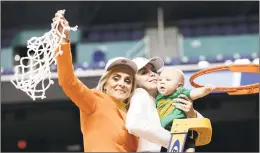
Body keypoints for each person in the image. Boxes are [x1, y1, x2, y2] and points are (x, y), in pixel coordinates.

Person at [53, 11, 138, 152]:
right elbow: (68, 82)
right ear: (105, 83)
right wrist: (63, 41)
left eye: (128, 81)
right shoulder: (95, 101)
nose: (122, 83)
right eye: (116, 78)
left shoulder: (132, 117)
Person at [126, 57, 204, 152]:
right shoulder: (140, 93)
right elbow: (135, 125)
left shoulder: (166, 97)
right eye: (144, 72)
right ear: (134, 81)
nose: (152, 74)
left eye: (154, 71)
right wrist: (174, 141)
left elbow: (202, 125)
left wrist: (191, 114)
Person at [156, 67, 215, 152]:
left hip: (180, 127)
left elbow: (193, 93)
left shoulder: (179, 93)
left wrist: (205, 90)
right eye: (160, 80)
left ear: (179, 86)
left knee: (189, 144)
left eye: (167, 80)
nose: (162, 82)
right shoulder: (158, 97)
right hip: (165, 131)